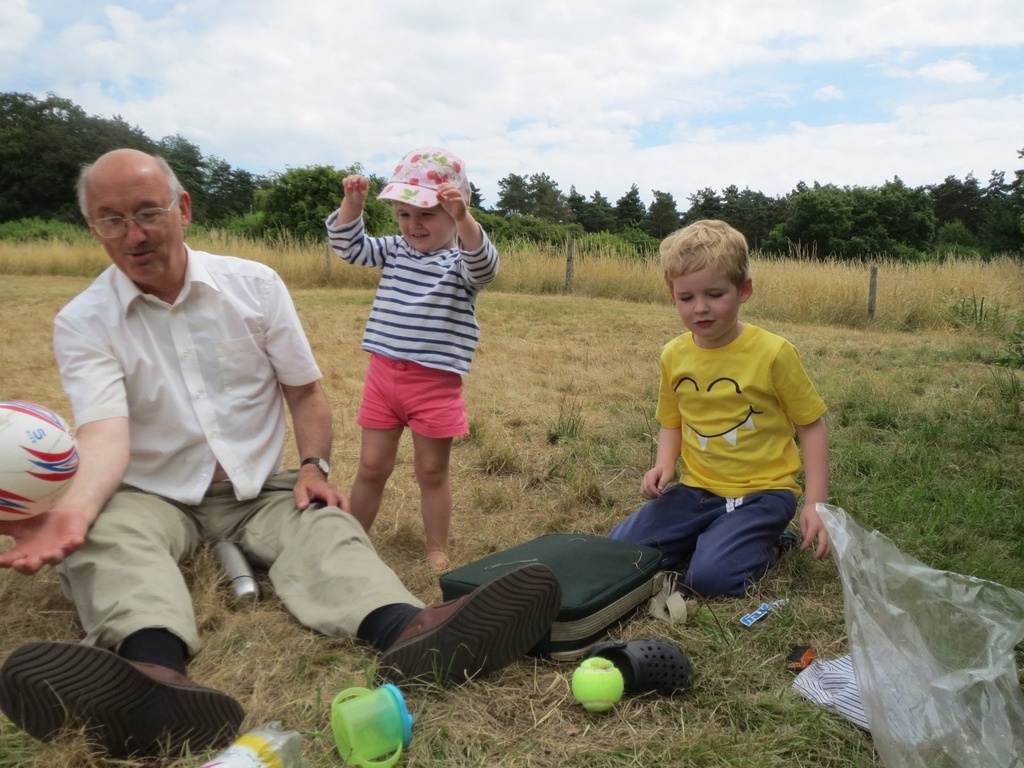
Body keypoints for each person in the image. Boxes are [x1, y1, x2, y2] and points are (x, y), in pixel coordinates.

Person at [0, 149, 561, 760]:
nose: (132, 234)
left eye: (147, 212)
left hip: (260, 487)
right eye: (111, 219)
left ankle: (411, 629)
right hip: (151, 494)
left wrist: (315, 466)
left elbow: (305, 393)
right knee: (108, 540)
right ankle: (152, 676)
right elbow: (105, 431)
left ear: (182, 210)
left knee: (325, 526)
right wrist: (74, 514)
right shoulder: (82, 321)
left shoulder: (254, 286)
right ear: (94, 229)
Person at [608, 220, 831, 597]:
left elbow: (811, 426)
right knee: (620, 556)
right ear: (672, 295)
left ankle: (774, 542)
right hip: (697, 490)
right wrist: (664, 465)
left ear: (744, 290)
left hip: (765, 493)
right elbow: (671, 420)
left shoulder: (774, 352)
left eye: (714, 294)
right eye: (686, 298)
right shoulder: (674, 355)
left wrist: (815, 504)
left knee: (710, 580)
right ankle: (712, 536)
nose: (700, 309)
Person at [326, 147, 498, 570]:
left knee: (431, 471)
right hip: (384, 378)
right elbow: (348, 247)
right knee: (370, 465)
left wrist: (464, 220)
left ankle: (436, 547)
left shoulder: (459, 264)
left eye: (426, 215)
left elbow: (485, 266)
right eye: (404, 214)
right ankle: (353, 537)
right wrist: (353, 204)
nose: (413, 226)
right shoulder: (394, 251)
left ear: (453, 215)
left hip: (434, 385)